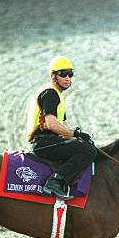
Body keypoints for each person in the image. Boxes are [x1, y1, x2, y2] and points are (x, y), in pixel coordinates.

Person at [27, 56, 97, 200]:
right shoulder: (50, 93)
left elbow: (63, 125)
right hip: (42, 142)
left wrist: (78, 136)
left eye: (70, 74)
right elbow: (52, 124)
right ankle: (54, 182)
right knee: (88, 151)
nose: (67, 78)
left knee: (85, 146)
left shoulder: (58, 95)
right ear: (53, 76)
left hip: (49, 140)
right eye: (63, 74)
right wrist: (76, 134)